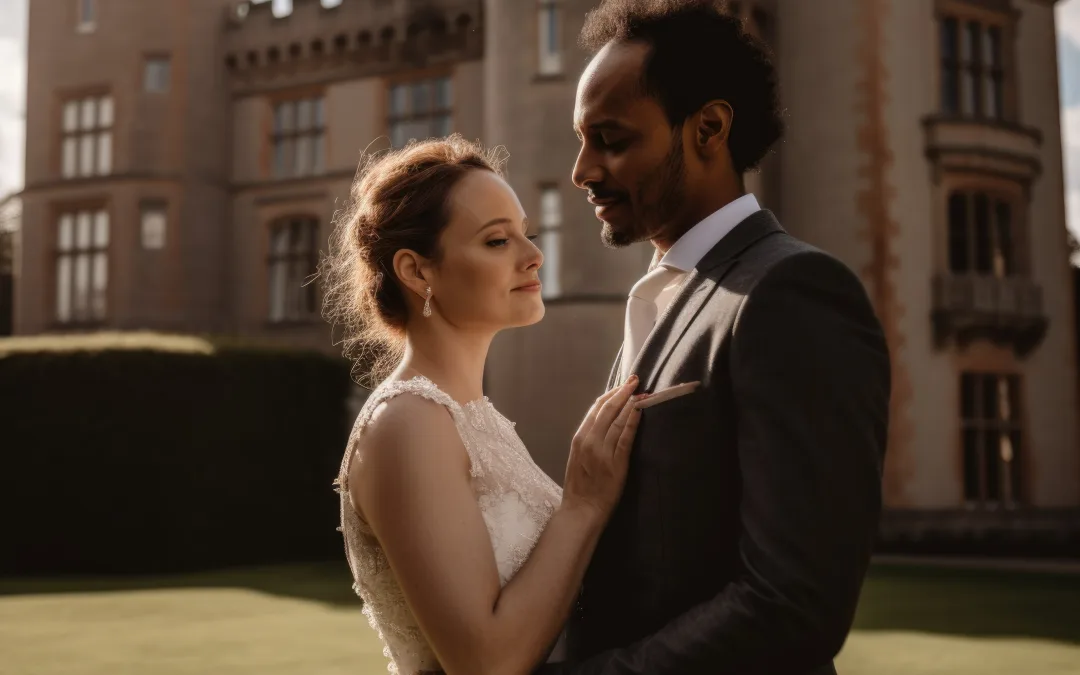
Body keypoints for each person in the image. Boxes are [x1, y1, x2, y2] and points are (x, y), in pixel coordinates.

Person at [533, 1, 892, 674]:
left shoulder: (793, 294)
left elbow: (791, 603)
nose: (583, 170)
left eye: (610, 139)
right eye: (583, 141)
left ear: (709, 129)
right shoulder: (669, 291)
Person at [322, 134, 646, 675]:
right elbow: (485, 663)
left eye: (528, 233)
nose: (534, 255)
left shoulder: (470, 418)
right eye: (498, 241)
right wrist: (583, 504)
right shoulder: (408, 422)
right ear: (417, 271)